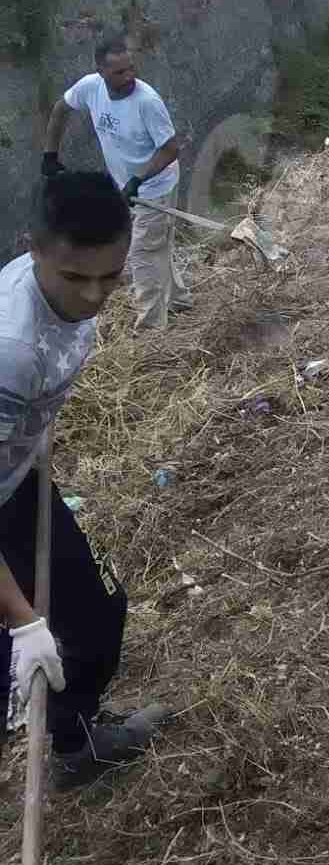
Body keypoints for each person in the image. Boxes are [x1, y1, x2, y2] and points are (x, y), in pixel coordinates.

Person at [0, 172, 166, 790]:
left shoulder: (61, 288)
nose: (94, 296)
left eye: (111, 276)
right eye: (76, 278)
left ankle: (75, 743)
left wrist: (31, 443)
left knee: (97, 614)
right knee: (21, 661)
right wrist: (21, 618)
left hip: (17, 480)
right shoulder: (12, 347)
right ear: (33, 247)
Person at [43, 31, 193, 333]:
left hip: (155, 188)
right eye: (119, 72)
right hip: (128, 186)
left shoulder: (147, 101)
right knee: (155, 246)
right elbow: (61, 108)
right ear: (101, 72)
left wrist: (137, 180)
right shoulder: (90, 88)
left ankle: (151, 329)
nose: (129, 76)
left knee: (142, 253)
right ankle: (178, 300)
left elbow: (170, 149)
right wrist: (49, 153)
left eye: (131, 68)